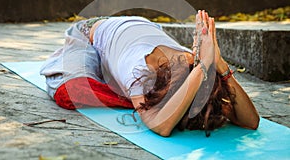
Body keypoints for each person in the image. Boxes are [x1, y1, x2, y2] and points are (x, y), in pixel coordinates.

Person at [40, 10, 259, 137]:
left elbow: (251, 122)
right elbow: (161, 125)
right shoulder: (139, 71)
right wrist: (203, 68)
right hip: (89, 32)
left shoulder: (195, 58)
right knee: (71, 89)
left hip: (143, 27)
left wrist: (218, 64)